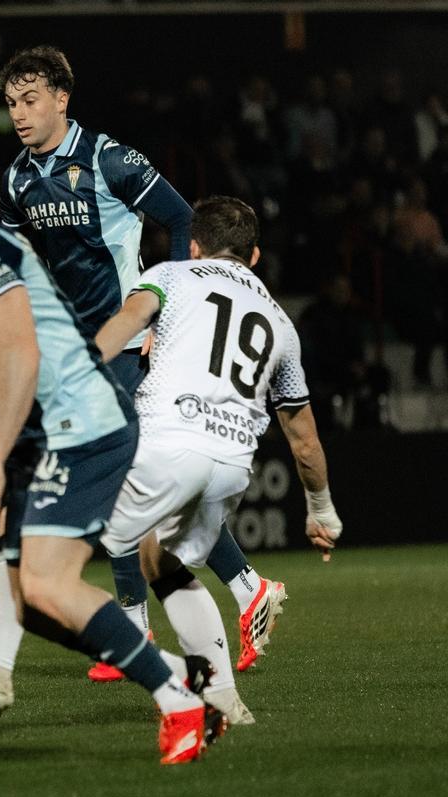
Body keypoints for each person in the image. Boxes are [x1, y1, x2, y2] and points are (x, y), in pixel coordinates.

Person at [0, 131, 224, 763]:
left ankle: (179, 700)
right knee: (38, 606)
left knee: (49, 588)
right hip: (45, 431)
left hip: (82, 423)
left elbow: (20, 351)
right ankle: (182, 677)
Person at [0, 45, 282, 678]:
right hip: (73, 355)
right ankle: (245, 588)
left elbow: (180, 218)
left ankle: (134, 626)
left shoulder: (108, 158)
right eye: (12, 102)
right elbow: (18, 260)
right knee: (135, 492)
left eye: (31, 99)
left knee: (121, 486)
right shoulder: (17, 177)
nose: (19, 113)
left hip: (123, 348)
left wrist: (166, 312)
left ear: (61, 100)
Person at [94, 196, 344, 724]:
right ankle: (224, 694)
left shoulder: (172, 275)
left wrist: (82, 368)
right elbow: (303, 438)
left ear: (193, 245)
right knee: (163, 562)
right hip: (231, 463)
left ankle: (162, 672)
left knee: (52, 563)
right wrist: (321, 510)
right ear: (254, 256)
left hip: (167, 439)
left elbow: (129, 319)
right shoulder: (281, 322)